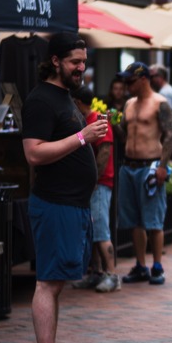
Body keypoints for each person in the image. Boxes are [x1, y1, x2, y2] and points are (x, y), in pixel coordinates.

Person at [22, 32, 109, 343]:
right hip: (54, 203)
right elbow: (34, 153)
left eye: (83, 62)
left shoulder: (63, 98)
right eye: (75, 62)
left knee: (56, 283)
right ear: (55, 60)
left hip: (71, 205)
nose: (80, 68)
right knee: (48, 282)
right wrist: (82, 138)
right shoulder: (41, 100)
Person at [114, 61, 172, 285]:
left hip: (150, 166)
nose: (127, 85)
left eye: (130, 81)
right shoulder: (129, 103)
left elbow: (168, 136)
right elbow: (125, 137)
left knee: (154, 220)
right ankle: (140, 265)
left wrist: (161, 166)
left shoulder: (160, 103)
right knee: (134, 220)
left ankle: (157, 266)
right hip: (129, 166)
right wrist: (114, 124)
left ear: (143, 79)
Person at [71, 93, 119, 293]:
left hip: (99, 184)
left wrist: (94, 179)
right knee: (93, 230)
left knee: (100, 230)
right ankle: (96, 273)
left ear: (79, 102)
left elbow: (105, 152)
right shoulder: (85, 121)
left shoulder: (98, 121)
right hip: (90, 184)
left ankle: (112, 275)